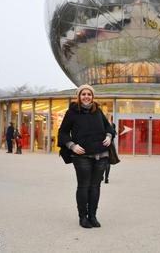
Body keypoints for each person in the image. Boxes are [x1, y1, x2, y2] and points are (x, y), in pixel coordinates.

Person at [58, 84, 115, 228]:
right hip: (82, 156)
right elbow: (63, 133)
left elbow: (109, 127)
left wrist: (109, 136)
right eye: (83, 94)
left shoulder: (98, 111)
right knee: (84, 186)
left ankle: (93, 216)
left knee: (95, 187)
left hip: (101, 155)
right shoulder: (72, 112)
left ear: (92, 96)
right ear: (79, 96)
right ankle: (83, 217)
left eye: (89, 94)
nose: (86, 97)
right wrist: (72, 146)